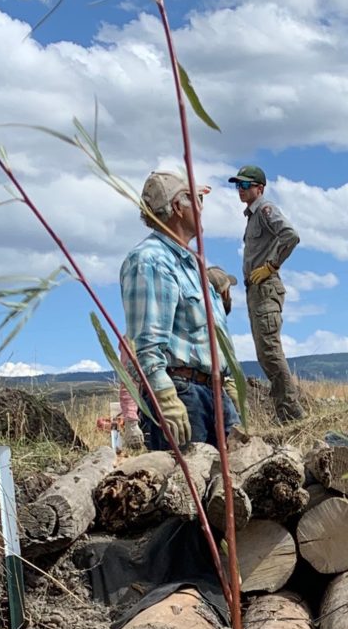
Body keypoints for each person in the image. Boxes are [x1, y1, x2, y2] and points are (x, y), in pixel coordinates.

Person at [119, 169, 238, 450]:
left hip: (213, 393)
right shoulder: (150, 261)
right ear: (177, 207)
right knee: (187, 490)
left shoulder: (192, 264)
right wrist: (166, 398)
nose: (201, 207)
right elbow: (145, 344)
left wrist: (228, 383)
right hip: (184, 395)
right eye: (197, 199)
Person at [229, 164, 306, 423]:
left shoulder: (265, 210)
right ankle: (284, 412)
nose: (239, 190)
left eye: (244, 185)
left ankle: (292, 412)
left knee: (271, 351)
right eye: (237, 185)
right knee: (264, 353)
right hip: (256, 290)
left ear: (259, 188)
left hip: (266, 286)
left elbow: (290, 236)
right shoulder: (252, 216)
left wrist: (271, 265)